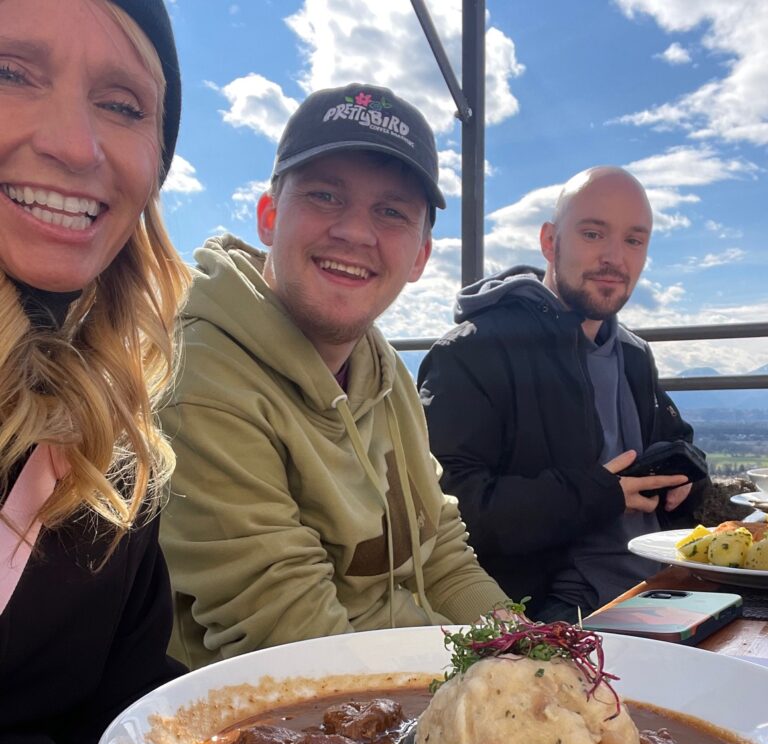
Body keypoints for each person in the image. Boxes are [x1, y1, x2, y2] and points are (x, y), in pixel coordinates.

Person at [160, 83, 507, 668]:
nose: (355, 231)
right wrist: (491, 694)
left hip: (398, 670)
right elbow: (295, 642)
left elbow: (441, 552)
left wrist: (529, 650)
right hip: (285, 705)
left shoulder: (383, 370)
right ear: (269, 217)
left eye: (391, 212)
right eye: (325, 195)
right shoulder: (199, 378)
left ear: (421, 257)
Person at [0, 0, 189, 744]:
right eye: (10, 72)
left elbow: (123, 705)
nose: (75, 146)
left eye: (122, 103)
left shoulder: (113, 449)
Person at [418, 166, 706, 622]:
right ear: (550, 241)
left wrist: (686, 474)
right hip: (563, 610)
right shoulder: (473, 351)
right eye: (593, 234)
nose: (615, 257)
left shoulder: (633, 354)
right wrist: (597, 495)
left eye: (634, 240)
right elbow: (446, 510)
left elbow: (677, 441)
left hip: (666, 586)